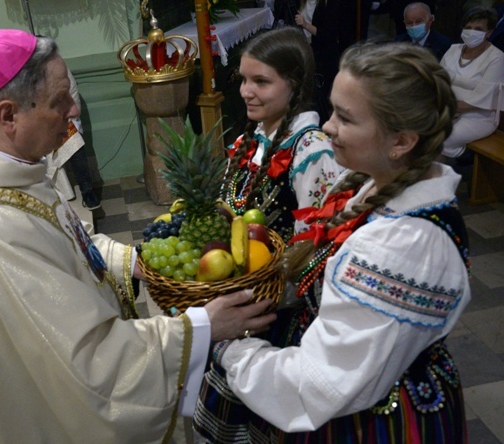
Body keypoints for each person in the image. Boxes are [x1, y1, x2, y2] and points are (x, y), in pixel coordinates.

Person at [0, 29, 276, 443]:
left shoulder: (8, 167)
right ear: (7, 116)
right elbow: (91, 367)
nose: (74, 110)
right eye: (59, 101)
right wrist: (201, 327)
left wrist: (134, 263)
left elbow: (68, 243)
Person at [194, 42, 470, 442]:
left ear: (402, 141)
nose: (327, 127)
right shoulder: (375, 186)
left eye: (345, 117)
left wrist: (227, 348)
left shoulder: (403, 246)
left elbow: (322, 383)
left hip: (377, 421)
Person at [221, 27, 342, 243]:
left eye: (261, 81)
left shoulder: (311, 153)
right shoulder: (248, 142)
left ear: (294, 84)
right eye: (244, 79)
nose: (245, 92)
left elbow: (310, 244)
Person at [440, 6, 504, 159]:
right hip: (445, 108)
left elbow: (479, 99)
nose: (471, 31)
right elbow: (437, 81)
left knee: (441, 137)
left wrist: (447, 107)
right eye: (468, 27)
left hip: (479, 116)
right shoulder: (453, 49)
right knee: (415, 128)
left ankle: (445, 175)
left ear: (489, 33)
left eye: (478, 28)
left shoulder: (497, 58)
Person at [294, 0, 341, 121]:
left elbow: (328, 35)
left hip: (323, 55)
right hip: (303, 49)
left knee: (319, 98)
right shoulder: (301, 2)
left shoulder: (329, 4)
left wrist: (305, 24)